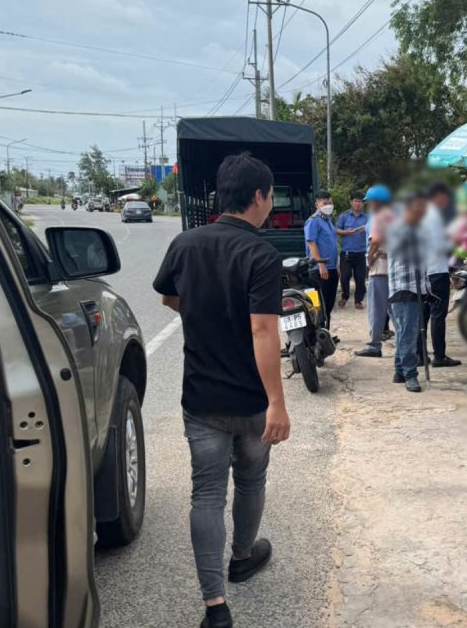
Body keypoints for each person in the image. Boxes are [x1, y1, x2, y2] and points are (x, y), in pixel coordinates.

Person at [152, 152, 291, 628]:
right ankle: (243, 556)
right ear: (258, 197)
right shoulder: (261, 255)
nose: (270, 205)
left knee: (206, 495)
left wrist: (206, 319)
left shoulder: (185, 243)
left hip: (202, 400)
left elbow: (171, 298)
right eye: (270, 196)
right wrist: (277, 401)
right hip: (251, 401)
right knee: (251, 478)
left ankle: (215, 607)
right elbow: (263, 332)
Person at [386, 191, 430, 393]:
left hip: (415, 287)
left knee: (404, 331)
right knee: (408, 334)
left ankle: (399, 371)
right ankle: (410, 374)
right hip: (403, 288)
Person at [421, 182, 461, 367]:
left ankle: (420, 354)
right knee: (438, 315)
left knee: (424, 315)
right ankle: (439, 356)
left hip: (425, 273)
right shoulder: (434, 217)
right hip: (436, 271)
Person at [355, 184, 394, 358]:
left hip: (379, 267)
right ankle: (408, 343)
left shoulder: (378, 217)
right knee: (395, 309)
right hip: (392, 267)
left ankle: (374, 345)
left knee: (376, 309)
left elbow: (375, 240)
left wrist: (369, 258)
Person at [304, 190, 340, 326]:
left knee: (329, 304)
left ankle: (325, 335)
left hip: (331, 268)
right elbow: (311, 243)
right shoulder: (313, 221)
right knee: (317, 305)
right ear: (317, 205)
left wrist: (336, 266)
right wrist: (320, 265)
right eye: (325, 203)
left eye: (330, 203)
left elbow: (332, 245)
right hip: (318, 270)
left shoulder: (328, 220)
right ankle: (316, 336)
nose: (328, 205)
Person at [336, 191, 369, 309]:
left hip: (361, 253)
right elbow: (336, 230)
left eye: (360, 202)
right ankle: (344, 296)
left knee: (360, 278)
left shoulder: (367, 218)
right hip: (347, 253)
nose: (358, 204)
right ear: (351, 203)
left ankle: (358, 300)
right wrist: (346, 232)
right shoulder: (344, 216)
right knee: (345, 276)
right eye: (355, 201)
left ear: (363, 204)